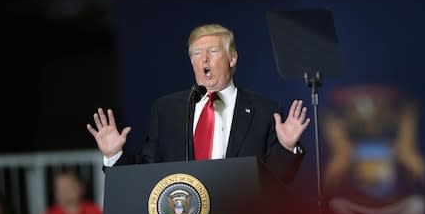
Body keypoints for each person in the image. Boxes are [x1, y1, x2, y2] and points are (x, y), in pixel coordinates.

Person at [87, 24, 310, 181]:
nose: (204, 59)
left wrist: (287, 148)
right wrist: (115, 155)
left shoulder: (264, 110)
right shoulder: (167, 109)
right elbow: (148, 172)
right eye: (196, 53)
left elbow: (278, 180)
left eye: (212, 51)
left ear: (232, 59)